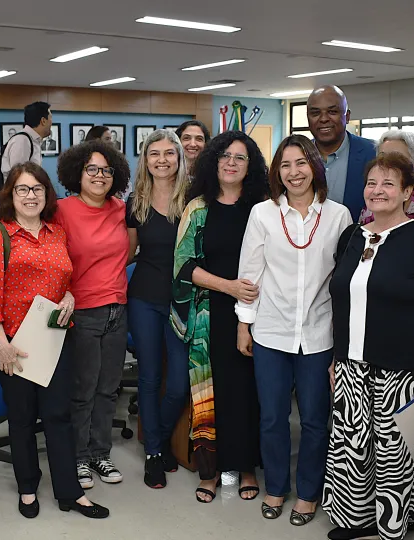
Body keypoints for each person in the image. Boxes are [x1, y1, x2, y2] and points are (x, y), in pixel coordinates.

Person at [323, 152, 414, 540]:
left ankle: (398, 520)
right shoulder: (352, 236)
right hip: (351, 364)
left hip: (403, 368)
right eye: (371, 183)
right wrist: (337, 357)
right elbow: (342, 301)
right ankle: (358, 519)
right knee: (352, 447)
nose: (377, 191)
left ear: (407, 192)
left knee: (397, 453)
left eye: (388, 184)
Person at [0, 162, 109, 520]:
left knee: (58, 415)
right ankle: (27, 487)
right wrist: (2, 344)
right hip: (12, 342)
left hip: (53, 338)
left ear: (47, 195)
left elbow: (65, 279)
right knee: (21, 419)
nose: (30, 195)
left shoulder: (56, 233)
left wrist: (69, 297)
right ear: (10, 195)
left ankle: (70, 492)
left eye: (37, 189)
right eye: (22, 189)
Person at [236, 135, 352, 523]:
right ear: (276, 172)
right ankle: (276, 488)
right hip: (271, 331)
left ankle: (308, 493)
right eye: (285, 165)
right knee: (272, 417)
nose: (294, 172)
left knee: (316, 420)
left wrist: (344, 344)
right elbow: (250, 275)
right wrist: (244, 325)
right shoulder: (262, 214)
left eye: (301, 163)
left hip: (319, 334)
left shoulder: (338, 215)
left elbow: (344, 282)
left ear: (315, 167)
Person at [171, 130, 269, 503]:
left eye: (240, 157)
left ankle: (246, 467)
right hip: (209, 317)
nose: (231, 162)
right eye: (225, 155)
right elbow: (183, 265)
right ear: (214, 160)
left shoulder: (264, 206)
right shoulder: (198, 207)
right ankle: (210, 473)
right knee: (208, 396)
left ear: (251, 166)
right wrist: (228, 287)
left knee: (249, 394)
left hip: (258, 315)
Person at [55, 140, 132, 489]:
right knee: (83, 388)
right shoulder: (61, 210)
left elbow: (131, 251)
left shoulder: (121, 208)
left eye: (106, 170)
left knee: (108, 389)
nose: (99, 176)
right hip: (82, 312)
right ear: (77, 173)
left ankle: (101, 453)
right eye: (92, 169)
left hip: (118, 308)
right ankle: (79, 457)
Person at [125, 129, 190, 489]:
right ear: (146, 160)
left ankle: (160, 437)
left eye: (169, 153)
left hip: (182, 300)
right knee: (149, 378)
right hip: (144, 298)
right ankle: (153, 453)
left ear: (179, 158)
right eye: (155, 154)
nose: (162, 160)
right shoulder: (136, 201)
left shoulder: (193, 198)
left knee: (178, 383)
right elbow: (128, 253)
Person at [306, 86, 375, 221]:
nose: (324, 119)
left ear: (347, 116)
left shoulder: (373, 153)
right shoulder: (297, 155)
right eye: (315, 113)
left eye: (332, 111)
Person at [1, 101, 51, 177]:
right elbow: (18, 177)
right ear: (43, 121)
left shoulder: (33, 140)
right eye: (50, 118)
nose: (51, 122)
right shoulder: (22, 141)